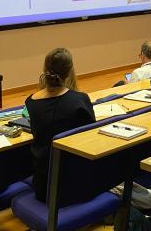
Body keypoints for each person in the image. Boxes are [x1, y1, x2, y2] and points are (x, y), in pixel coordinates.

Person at [25, 48, 95, 202]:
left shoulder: (30, 102)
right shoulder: (80, 101)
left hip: (43, 188)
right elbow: (93, 140)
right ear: (70, 72)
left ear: (44, 70)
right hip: (77, 185)